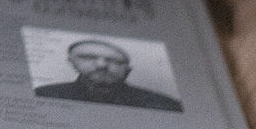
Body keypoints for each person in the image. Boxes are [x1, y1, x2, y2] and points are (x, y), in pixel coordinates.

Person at [34, 38, 183, 112]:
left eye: (114, 61)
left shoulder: (164, 105)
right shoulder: (43, 95)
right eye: (88, 57)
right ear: (72, 62)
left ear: (127, 69)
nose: (101, 65)